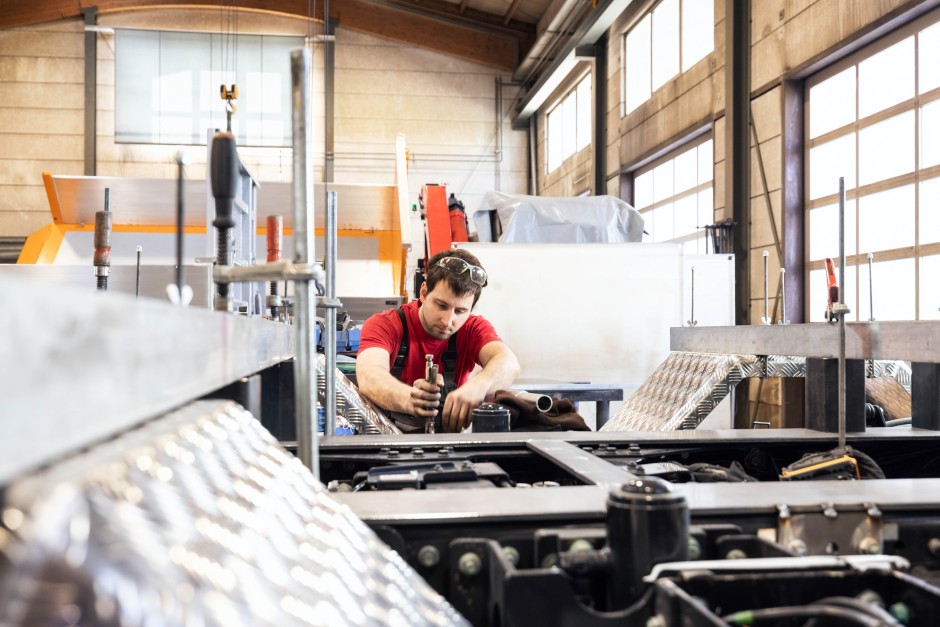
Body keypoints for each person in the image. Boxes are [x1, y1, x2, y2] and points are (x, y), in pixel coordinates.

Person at [356, 248, 520, 432]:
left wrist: (479, 386)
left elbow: (508, 363)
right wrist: (409, 398)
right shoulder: (386, 324)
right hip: (387, 441)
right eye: (441, 305)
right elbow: (369, 375)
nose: (448, 320)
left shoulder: (473, 328)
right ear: (424, 291)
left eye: (460, 311)